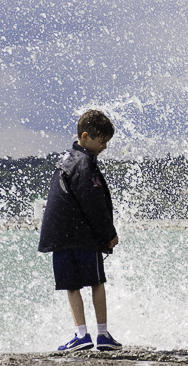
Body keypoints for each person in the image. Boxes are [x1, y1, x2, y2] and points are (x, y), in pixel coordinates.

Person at [38, 109, 122, 352]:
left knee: (71, 286)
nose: (105, 146)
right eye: (102, 141)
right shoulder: (84, 163)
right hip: (83, 235)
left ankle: (81, 335)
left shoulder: (67, 158)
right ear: (85, 137)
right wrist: (108, 233)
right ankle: (102, 334)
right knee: (96, 282)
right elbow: (93, 202)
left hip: (61, 236)